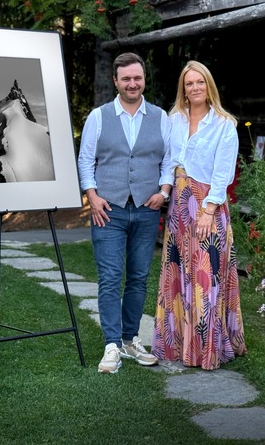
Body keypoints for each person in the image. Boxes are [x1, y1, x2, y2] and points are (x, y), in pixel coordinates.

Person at [78, 52, 173, 374]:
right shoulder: (99, 116)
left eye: (137, 78)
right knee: (110, 277)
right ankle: (111, 345)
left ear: (144, 79)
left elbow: (169, 160)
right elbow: (85, 159)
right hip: (109, 211)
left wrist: (163, 192)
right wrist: (92, 197)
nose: (133, 84)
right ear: (116, 81)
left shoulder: (160, 117)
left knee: (138, 277)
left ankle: (130, 339)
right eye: (126, 79)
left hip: (147, 210)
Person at [151, 60, 247, 370]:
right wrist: (164, 193)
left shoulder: (224, 124)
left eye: (200, 82)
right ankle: (178, 344)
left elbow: (223, 172)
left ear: (209, 86)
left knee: (206, 275)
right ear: (183, 89)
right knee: (177, 274)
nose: (195, 88)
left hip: (207, 206)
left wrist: (208, 210)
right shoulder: (174, 120)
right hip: (179, 207)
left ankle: (205, 349)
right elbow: (169, 162)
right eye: (189, 83)